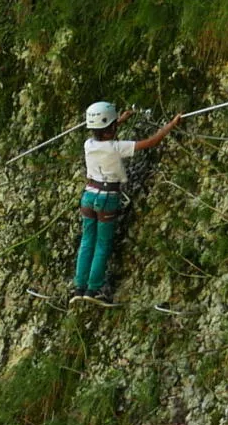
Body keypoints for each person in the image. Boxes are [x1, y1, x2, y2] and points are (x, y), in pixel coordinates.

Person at [73, 101, 180, 302]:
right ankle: (93, 290)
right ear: (112, 127)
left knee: (87, 242)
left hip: (88, 196)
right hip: (107, 198)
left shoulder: (89, 145)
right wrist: (171, 125)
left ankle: (79, 288)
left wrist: (120, 120)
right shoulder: (116, 148)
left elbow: (103, 131)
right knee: (102, 244)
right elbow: (151, 142)